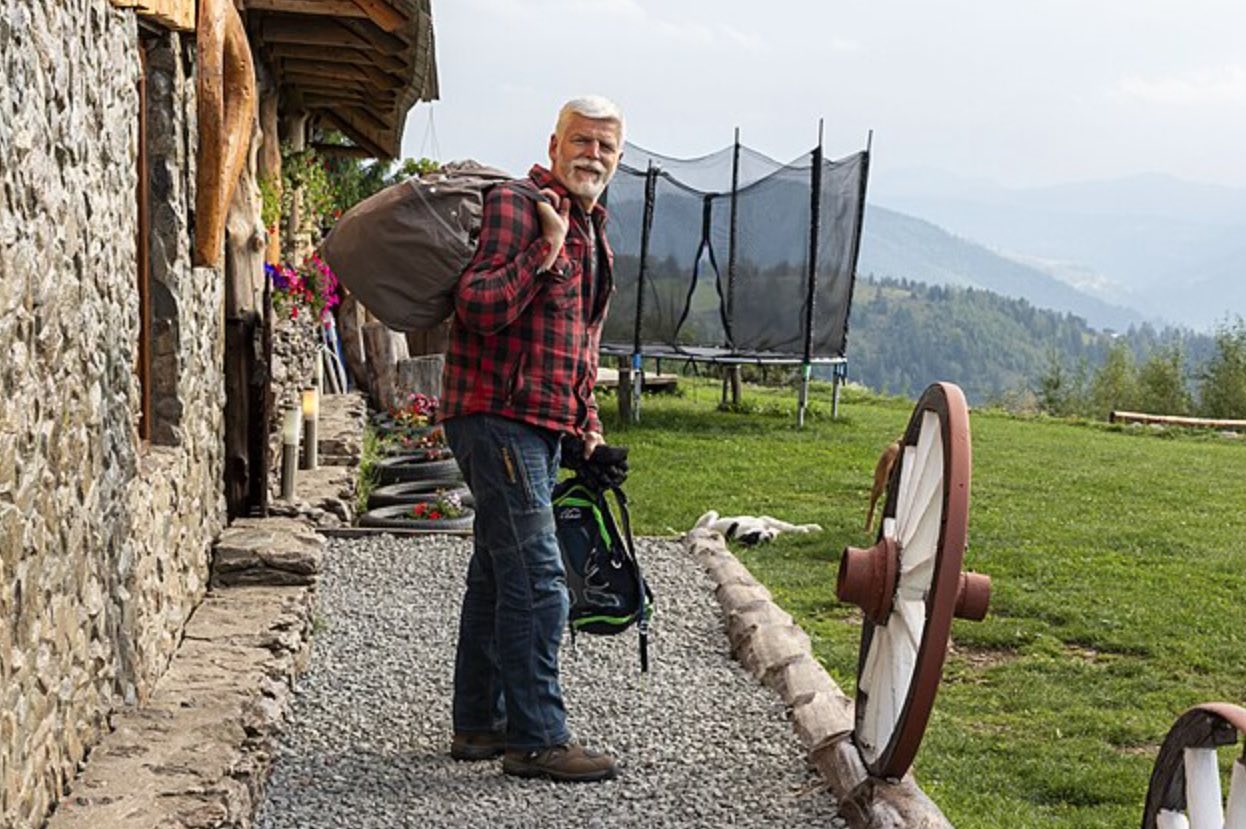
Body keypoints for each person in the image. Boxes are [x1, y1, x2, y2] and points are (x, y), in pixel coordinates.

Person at [437, 96, 624, 782]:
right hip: (495, 414)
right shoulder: (521, 206)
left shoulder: (595, 227)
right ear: (553, 143)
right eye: (581, 141)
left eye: (606, 146)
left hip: (540, 425)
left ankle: (478, 725)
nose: (593, 155)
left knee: (496, 573)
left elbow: (578, 346)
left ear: (619, 156)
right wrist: (542, 251)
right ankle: (537, 737)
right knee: (542, 580)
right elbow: (478, 307)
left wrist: (590, 435)